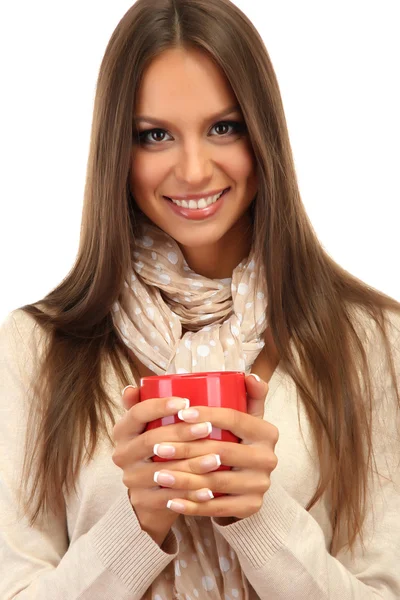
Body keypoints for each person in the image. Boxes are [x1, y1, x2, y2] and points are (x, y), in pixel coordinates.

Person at [1, 0, 399, 598]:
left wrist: (259, 519)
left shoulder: (371, 340)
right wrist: (135, 523)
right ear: (119, 151)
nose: (193, 169)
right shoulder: (33, 349)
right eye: (154, 135)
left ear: (263, 134)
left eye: (224, 127)